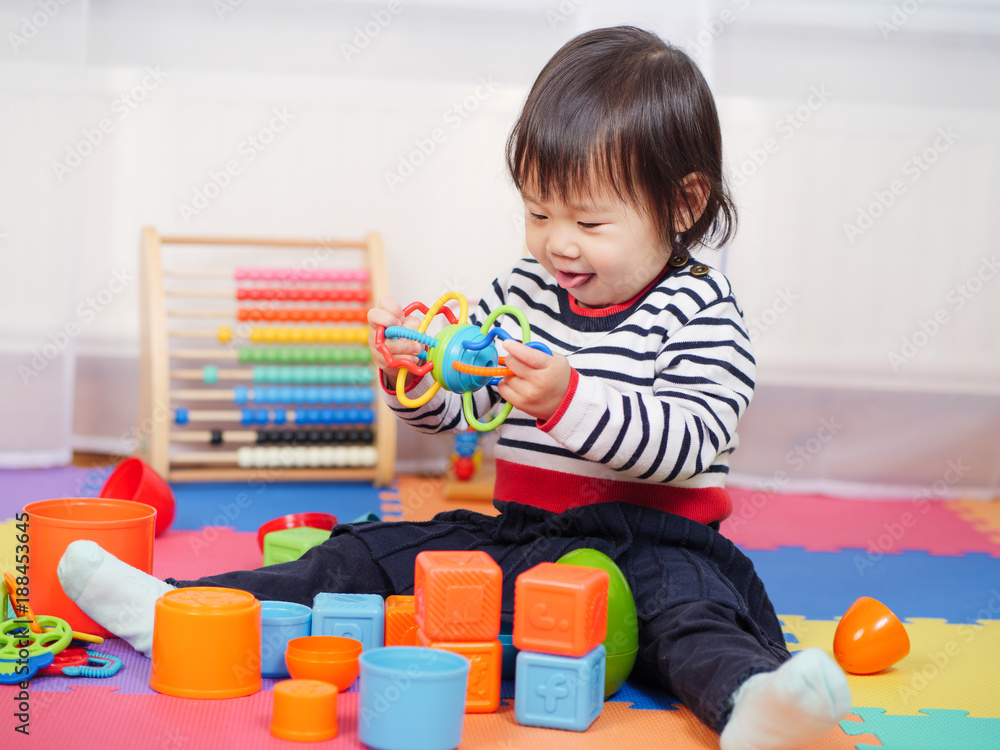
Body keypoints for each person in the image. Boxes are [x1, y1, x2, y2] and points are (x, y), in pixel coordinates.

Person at [57, 26, 851, 750]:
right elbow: (468, 407)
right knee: (367, 552)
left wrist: (568, 398)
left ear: (683, 203)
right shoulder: (526, 290)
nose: (556, 243)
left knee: (693, 619)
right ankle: (179, 608)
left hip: (660, 543)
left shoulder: (703, 311)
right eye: (538, 213)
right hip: (528, 534)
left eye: (590, 222)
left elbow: (691, 441)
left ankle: (758, 704)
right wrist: (416, 377)